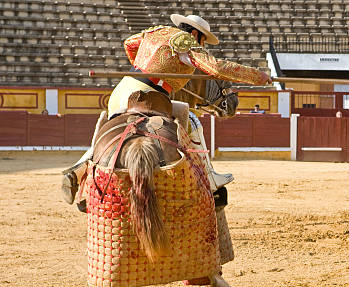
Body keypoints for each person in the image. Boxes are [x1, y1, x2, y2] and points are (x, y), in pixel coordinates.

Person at [62, 14, 272, 204]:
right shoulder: (185, 41)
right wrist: (256, 76)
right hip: (149, 93)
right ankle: (209, 176)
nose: (202, 45)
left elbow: (129, 43)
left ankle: (79, 169)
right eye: (203, 40)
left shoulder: (156, 32)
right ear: (195, 33)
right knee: (190, 118)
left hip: (121, 89)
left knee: (110, 131)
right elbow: (215, 68)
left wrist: (144, 68)